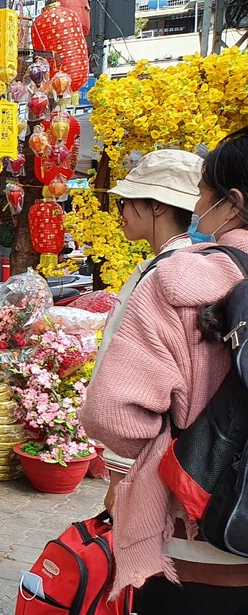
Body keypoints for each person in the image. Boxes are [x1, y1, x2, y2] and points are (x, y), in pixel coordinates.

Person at [80, 126, 248, 615]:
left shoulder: (179, 283)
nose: (199, 205)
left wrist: (156, 456)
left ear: (233, 203)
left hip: (201, 537)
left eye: (204, 192)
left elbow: (114, 414)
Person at [93, 149, 204, 513]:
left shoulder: (164, 278)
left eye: (127, 202)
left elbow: (137, 382)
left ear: (157, 207)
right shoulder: (189, 266)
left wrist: (119, 476)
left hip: (152, 458)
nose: (121, 212)